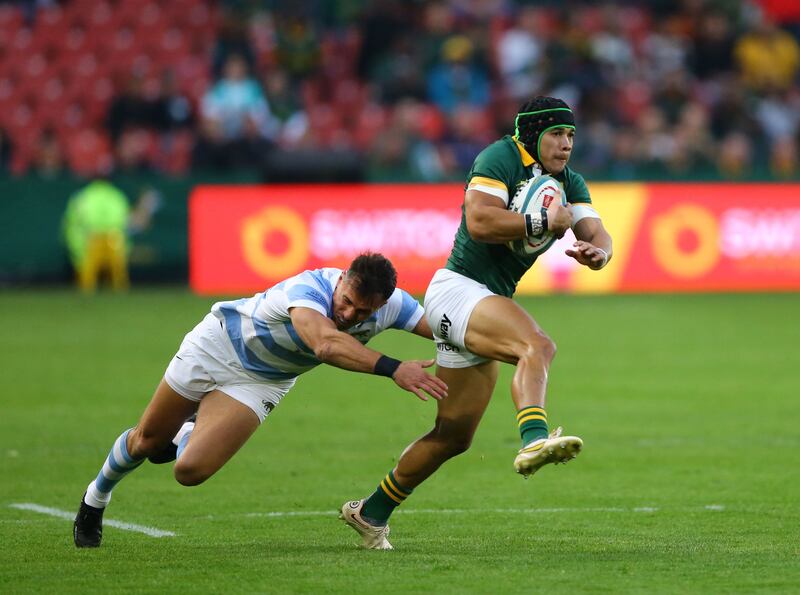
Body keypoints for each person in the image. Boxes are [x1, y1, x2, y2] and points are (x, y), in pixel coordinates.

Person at [340, 96, 613, 549]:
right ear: (533, 135)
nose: (566, 145)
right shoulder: (499, 156)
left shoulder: (570, 182)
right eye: (557, 135)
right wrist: (546, 219)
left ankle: (370, 513)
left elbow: (596, 232)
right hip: (457, 288)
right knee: (537, 346)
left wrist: (599, 253)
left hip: (482, 301)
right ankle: (534, 437)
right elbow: (480, 221)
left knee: (453, 436)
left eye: (571, 136)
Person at [73, 253, 448, 548]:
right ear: (342, 281)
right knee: (146, 442)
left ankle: (188, 429)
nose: (350, 315)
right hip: (215, 347)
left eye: (364, 312)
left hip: (261, 381)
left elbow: (447, 328)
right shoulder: (307, 290)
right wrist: (395, 368)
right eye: (347, 302)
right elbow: (325, 344)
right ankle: (95, 499)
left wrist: (501, 344)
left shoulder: (394, 305)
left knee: (188, 472)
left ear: (382, 305)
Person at [62, 177, 130, 293]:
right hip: (113, 234)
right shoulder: (116, 194)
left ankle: (86, 291)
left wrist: (76, 240)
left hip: (92, 235)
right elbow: (125, 218)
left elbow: (73, 220)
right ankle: (120, 291)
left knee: (89, 266)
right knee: (117, 267)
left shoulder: (84, 195)